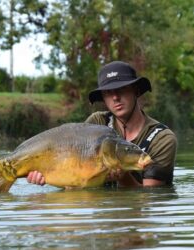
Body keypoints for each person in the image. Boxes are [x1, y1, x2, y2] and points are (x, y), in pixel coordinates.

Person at [27, 61, 177, 187]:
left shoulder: (162, 138)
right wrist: (46, 173)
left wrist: (123, 177)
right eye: (108, 92)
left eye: (122, 89)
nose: (115, 97)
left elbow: (150, 198)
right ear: (103, 98)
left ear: (136, 91)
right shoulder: (97, 123)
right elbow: (75, 175)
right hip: (101, 215)